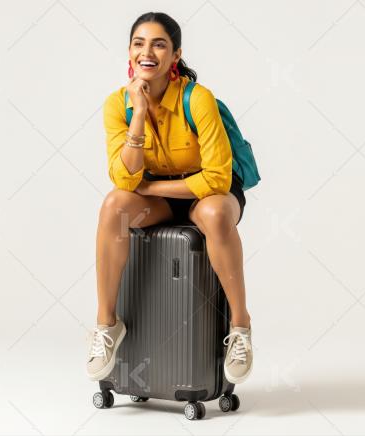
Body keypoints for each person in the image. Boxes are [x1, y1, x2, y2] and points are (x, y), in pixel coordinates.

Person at [86, 12, 253, 385]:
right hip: (158, 197)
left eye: (159, 44)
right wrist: (140, 115)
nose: (148, 52)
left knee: (212, 214)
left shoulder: (199, 99)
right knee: (114, 205)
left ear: (175, 55)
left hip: (209, 194)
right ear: (129, 52)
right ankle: (107, 325)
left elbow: (216, 178)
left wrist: (149, 188)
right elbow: (124, 178)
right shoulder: (118, 104)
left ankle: (240, 327)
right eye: (139, 43)